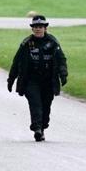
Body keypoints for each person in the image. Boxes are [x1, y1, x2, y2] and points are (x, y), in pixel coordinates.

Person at [7, 14, 68, 142]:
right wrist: (11, 79)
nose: (38, 29)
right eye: (35, 27)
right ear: (32, 29)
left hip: (48, 81)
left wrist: (63, 75)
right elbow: (17, 62)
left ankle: (42, 126)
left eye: (40, 27)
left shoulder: (53, 43)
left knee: (46, 106)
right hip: (31, 80)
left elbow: (61, 60)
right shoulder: (26, 44)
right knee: (35, 104)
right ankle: (37, 129)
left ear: (45, 28)